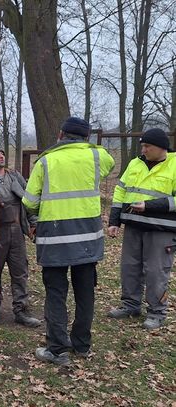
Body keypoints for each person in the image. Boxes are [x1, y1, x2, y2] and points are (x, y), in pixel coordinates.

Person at [22, 117, 115, 366]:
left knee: (56, 293)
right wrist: (88, 146)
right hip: (88, 239)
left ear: (61, 134)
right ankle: (82, 345)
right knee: (85, 293)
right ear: (86, 138)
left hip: (55, 239)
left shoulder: (46, 160)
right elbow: (109, 160)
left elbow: (29, 200)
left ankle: (57, 350)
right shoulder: (97, 157)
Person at [107, 128, 175, 330]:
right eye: (142, 146)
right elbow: (120, 192)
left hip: (162, 229)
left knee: (156, 271)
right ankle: (130, 305)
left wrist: (150, 205)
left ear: (161, 147)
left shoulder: (174, 164)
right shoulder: (135, 164)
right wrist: (114, 221)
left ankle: (156, 312)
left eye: (147, 146)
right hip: (133, 225)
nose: (143, 150)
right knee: (130, 267)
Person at [0, 149, 41, 328]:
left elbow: (29, 202)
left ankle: (21, 310)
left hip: (17, 231)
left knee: (20, 271)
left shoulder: (15, 177)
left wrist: (33, 223)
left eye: (2, 153)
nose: (1, 156)